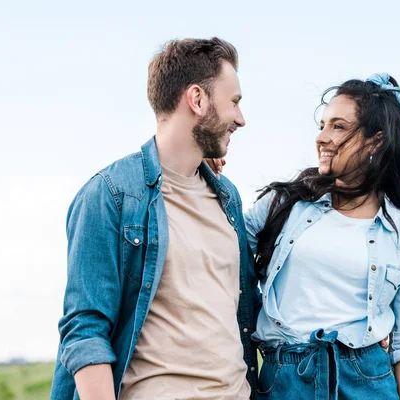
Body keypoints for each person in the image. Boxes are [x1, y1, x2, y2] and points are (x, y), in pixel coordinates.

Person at [50, 37, 260, 400]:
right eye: (235, 102)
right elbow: (85, 331)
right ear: (197, 99)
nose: (241, 118)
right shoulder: (110, 194)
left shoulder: (227, 198)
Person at [244, 73, 400, 400]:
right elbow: (219, 258)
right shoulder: (282, 206)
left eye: (338, 126)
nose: (321, 137)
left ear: (376, 140)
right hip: (285, 382)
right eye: (322, 125)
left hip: (367, 382)